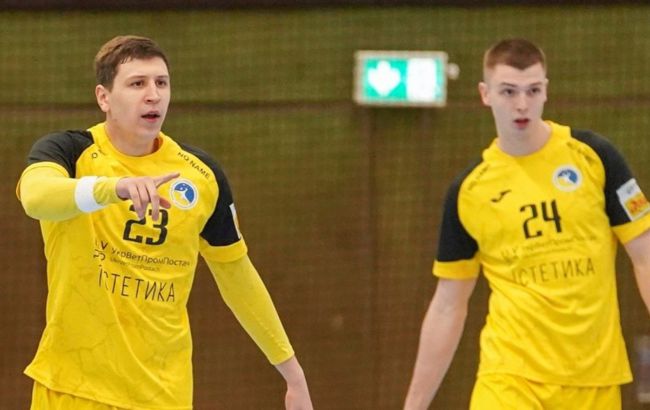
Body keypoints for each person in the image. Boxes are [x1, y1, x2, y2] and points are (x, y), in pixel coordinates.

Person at [16, 35, 313, 410]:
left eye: (161, 83)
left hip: (164, 395)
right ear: (104, 97)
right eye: (137, 84)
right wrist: (114, 188)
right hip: (73, 390)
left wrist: (292, 374)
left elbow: (238, 278)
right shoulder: (69, 152)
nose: (153, 95)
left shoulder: (201, 175)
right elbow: (36, 196)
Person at [403, 38, 650, 410]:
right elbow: (448, 306)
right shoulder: (470, 191)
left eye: (532, 90)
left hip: (593, 379)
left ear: (546, 90)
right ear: (485, 94)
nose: (521, 104)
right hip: (509, 380)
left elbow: (645, 255)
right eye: (508, 91)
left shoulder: (595, 157)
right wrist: (414, 404)